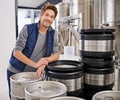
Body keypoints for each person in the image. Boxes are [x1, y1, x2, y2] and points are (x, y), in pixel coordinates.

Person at [7, 3, 59, 99]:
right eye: (47, 15)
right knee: (17, 97)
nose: (49, 18)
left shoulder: (53, 33)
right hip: (17, 72)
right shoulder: (27, 29)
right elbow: (17, 52)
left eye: (52, 17)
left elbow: (56, 55)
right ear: (41, 14)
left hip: (35, 74)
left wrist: (44, 61)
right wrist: (36, 64)